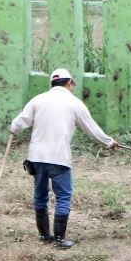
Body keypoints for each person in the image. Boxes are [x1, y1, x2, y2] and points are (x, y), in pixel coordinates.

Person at [10, 68, 119, 249]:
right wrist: (109, 143)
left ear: (52, 84)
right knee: (63, 197)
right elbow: (91, 129)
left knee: (40, 196)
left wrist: (13, 128)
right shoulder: (74, 103)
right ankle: (59, 240)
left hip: (36, 157)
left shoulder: (38, 100)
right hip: (58, 157)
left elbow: (21, 121)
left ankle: (45, 236)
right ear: (69, 83)